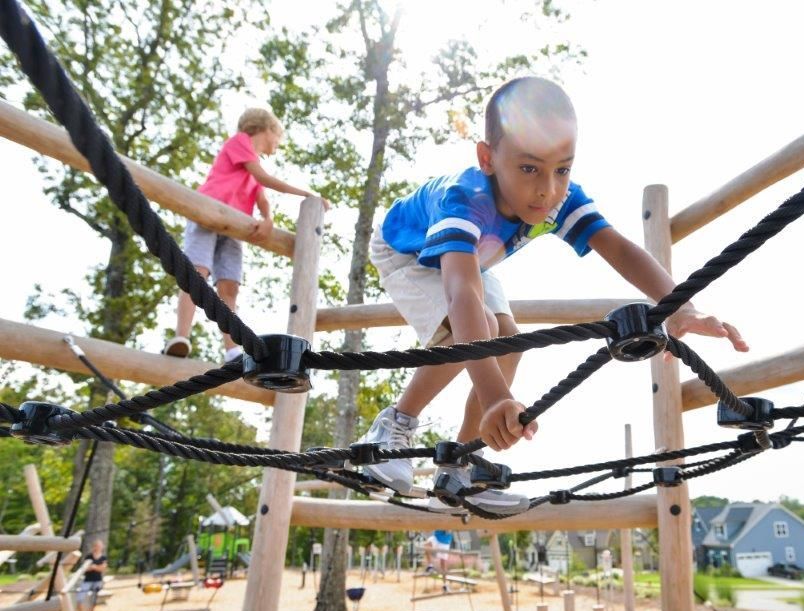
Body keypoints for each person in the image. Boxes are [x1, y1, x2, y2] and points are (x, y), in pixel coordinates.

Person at [357, 77, 748, 515]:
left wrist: (681, 308)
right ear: (487, 158)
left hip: (471, 259)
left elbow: (619, 248)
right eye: (529, 169)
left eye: (562, 169)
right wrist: (495, 398)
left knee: (509, 340)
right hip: (407, 252)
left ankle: (460, 463)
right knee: (473, 327)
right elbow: (461, 293)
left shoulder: (559, 201)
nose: (547, 189)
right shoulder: (464, 199)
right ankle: (395, 424)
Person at [163, 107, 329, 361]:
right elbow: (265, 178)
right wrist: (308, 195)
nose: (278, 143)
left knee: (229, 286)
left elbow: (262, 198)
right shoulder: (240, 142)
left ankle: (232, 350)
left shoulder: (253, 167)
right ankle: (181, 337)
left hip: (234, 226)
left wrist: (268, 219)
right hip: (210, 212)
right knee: (197, 274)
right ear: (267, 129)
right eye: (278, 136)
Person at [77, 539, 107, 611]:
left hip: (97, 580)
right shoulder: (89, 557)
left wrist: (94, 567)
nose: (98, 547)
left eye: (99, 546)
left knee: (94, 599)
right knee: (80, 597)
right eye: (97, 546)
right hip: (87, 580)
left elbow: (103, 568)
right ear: (94, 547)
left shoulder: (103, 557)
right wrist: (96, 567)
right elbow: (84, 568)